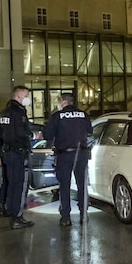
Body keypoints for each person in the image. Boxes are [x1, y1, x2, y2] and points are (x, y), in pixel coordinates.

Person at [43, 93, 93, 226]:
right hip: (81, 154)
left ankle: (65, 217)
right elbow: (89, 131)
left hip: (64, 155)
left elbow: (47, 135)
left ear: (64, 102)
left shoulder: (57, 116)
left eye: (59, 101)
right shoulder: (83, 115)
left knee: (64, 186)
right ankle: (83, 215)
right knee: (82, 185)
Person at [0, 86, 34, 229]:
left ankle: (11, 212)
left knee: (12, 184)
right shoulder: (18, 112)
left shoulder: (5, 111)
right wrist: (30, 137)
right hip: (18, 153)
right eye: (26, 95)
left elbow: (0, 134)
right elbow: (19, 134)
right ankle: (17, 217)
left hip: (7, 153)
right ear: (19, 95)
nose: (27, 99)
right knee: (20, 186)